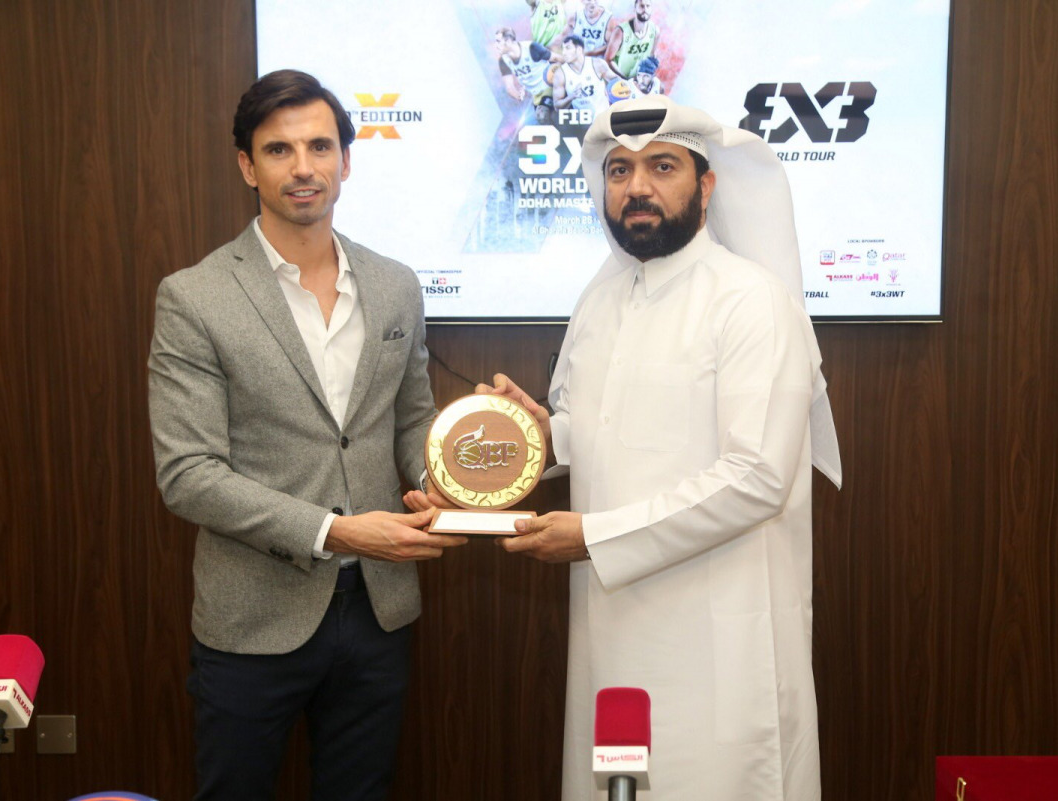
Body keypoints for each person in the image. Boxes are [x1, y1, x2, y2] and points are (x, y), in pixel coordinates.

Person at [409, 95, 842, 798]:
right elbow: (604, 432)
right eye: (619, 171)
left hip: (716, 640)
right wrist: (539, 437)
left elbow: (758, 477)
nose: (637, 186)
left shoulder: (752, 301)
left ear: (706, 185)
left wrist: (594, 536)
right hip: (613, 626)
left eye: (662, 167)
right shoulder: (601, 303)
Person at [148, 70, 467, 801]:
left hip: (380, 609)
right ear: (247, 166)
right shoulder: (194, 297)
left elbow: (410, 421)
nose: (303, 167)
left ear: (345, 161)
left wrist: (453, 478)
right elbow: (189, 474)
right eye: (279, 150)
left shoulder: (395, 285)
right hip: (252, 616)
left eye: (320, 147)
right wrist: (339, 532)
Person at [494, 26, 557, 125]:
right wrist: (518, 95)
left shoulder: (531, 47)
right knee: (542, 119)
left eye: (498, 41)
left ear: (508, 41)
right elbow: (509, 87)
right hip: (536, 96)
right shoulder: (503, 61)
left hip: (552, 86)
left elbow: (556, 58)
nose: (496, 45)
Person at [553, 34, 614, 114]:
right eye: (563, 49)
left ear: (579, 50)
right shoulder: (560, 73)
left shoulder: (597, 64)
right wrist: (571, 97)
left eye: (568, 48)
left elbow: (617, 82)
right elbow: (557, 106)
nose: (564, 53)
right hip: (581, 120)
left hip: (603, 116)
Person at [606, 0, 660, 79]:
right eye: (641, 6)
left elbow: (652, 56)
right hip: (620, 79)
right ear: (634, 9)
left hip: (640, 81)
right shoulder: (620, 31)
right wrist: (625, 79)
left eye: (648, 6)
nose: (645, 9)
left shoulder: (655, 31)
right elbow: (608, 59)